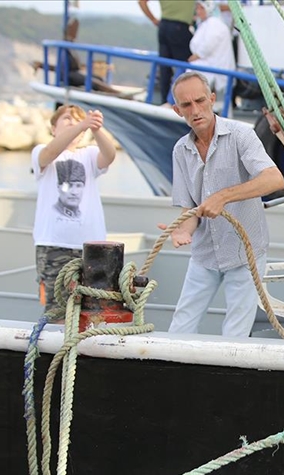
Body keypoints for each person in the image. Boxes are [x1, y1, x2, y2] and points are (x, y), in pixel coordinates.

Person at [159, 71, 284, 337]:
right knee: (179, 329)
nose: (195, 110)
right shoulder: (180, 150)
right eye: (186, 105)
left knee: (235, 335)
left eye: (200, 101)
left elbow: (274, 179)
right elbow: (190, 209)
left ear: (212, 99)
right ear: (177, 110)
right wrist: (183, 231)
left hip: (245, 251)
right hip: (204, 253)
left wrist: (223, 196)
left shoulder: (242, 135)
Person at [32, 104, 117, 312]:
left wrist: (96, 128)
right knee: (57, 309)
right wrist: (82, 125)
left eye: (78, 119)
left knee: (94, 309)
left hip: (91, 248)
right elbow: (50, 152)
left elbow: (109, 155)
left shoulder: (89, 154)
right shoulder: (40, 152)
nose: (74, 123)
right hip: (53, 245)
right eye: (68, 119)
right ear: (53, 128)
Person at [32, 18, 127, 97]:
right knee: (93, 81)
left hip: (74, 72)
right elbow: (61, 68)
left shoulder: (70, 46)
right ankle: (119, 94)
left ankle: (113, 93)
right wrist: (42, 65)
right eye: (73, 29)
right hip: (70, 76)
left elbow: (75, 65)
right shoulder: (65, 47)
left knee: (98, 78)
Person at [138, 0, 196, 105]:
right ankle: (180, 101)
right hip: (180, 27)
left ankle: (165, 101)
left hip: (163, 26)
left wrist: (154, 20)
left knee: (164, 67)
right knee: (186, 65)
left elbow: (141, 2)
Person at [188, 0, 234, 109]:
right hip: (208, 64)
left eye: (201, 8)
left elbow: (208, 44)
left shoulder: (214, 24)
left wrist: (196, 55)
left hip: (215, 67)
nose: (198, 11)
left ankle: (174, 102)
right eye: (197, 8)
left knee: (189, 74)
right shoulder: (206, 23)